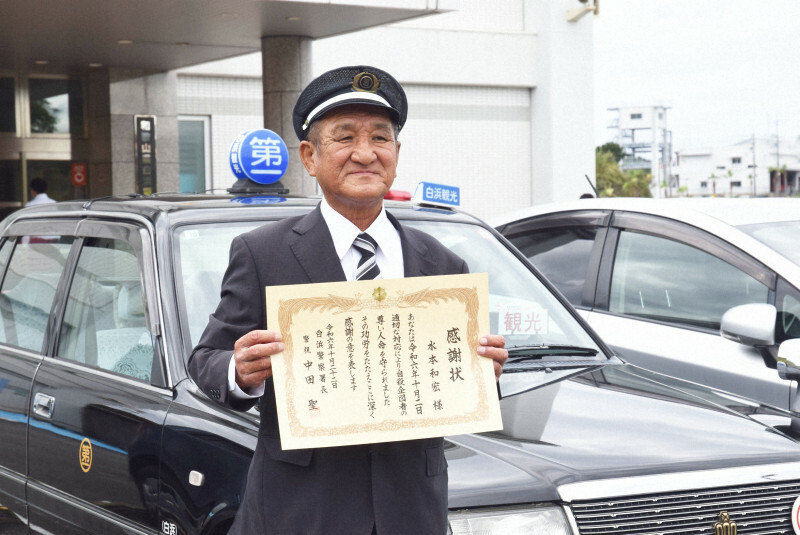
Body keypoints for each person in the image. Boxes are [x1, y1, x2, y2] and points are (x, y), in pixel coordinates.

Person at [188, 65, 508, 535]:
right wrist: (239, 372)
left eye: (380, 138)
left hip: (411, 513)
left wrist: (486, 369)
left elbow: (459, 387)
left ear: (396, 154)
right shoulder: (262, 253)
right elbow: (206, 358)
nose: (365, 153)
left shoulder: (443, 265)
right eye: (344, 138)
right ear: (309, 156)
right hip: (299, 513)